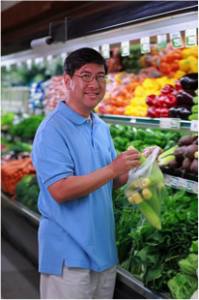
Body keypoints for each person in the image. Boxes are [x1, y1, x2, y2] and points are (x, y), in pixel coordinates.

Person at [31, 47, 160, 300]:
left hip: (103, 251)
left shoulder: (99, 126)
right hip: (69, 255)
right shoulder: (52, 130)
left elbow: (109, 182)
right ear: (68, 81)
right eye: (86, 76)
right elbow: (60, 190)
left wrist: (139, 162)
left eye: (101, 76)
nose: (95, 84)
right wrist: (113, 168)